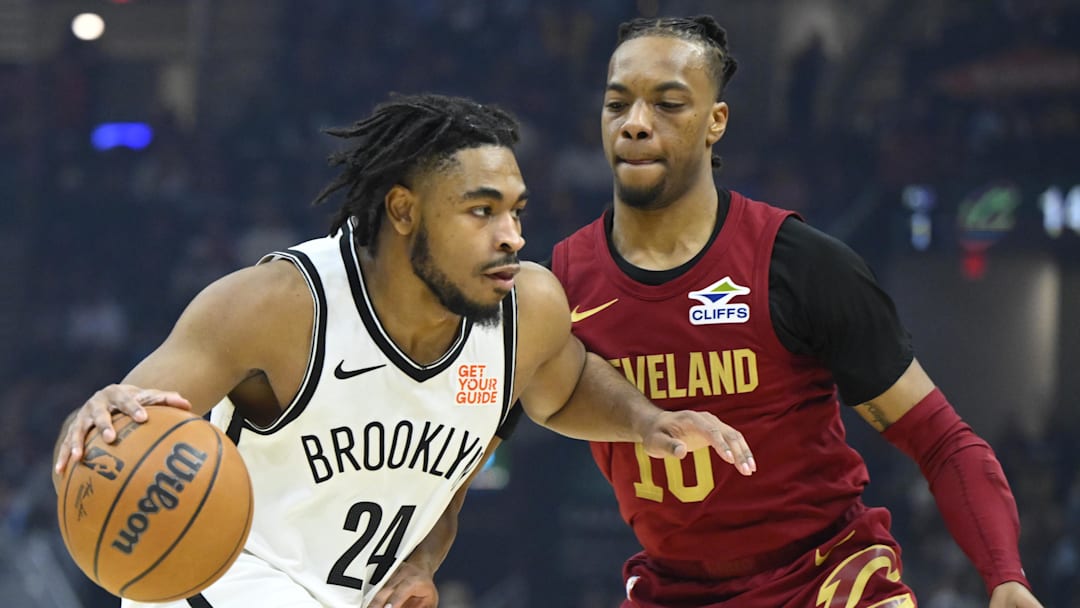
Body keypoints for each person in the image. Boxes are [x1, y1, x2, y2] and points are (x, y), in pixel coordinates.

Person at [52, 94, 755, 608]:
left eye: (516, 211)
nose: (511, 234)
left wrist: (645, 421)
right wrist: (100, 413)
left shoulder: (525, 312)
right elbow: (107, 438)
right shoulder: (276, 306)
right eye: (482, 211)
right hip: (222, 584)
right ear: (403, 211)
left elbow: (560, 390)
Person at [548, 16, 1044, 608]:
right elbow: (492, 422)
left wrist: (1006, 578)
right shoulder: (564, 278)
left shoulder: (798, 263)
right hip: (673, 588)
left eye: (668, 104)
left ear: (716, 123)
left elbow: (941, 440)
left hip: (828, 578)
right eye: (617, 104)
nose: (634, 124)